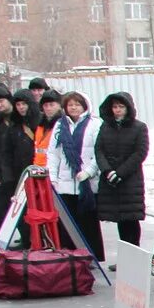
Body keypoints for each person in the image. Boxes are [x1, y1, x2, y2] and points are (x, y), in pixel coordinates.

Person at [49, 90, 104, 258]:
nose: (73, 108)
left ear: (84, 106)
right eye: (70, 104)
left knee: (87, 221)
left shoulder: (95, 124)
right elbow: (53, 153)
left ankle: (89, 255)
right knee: (67, 223)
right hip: (65, 183)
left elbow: (99, 152)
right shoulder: (60, 125)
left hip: (87, 183)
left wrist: (89, 172)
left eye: (77, 104)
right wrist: (53, 178)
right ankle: (70, 256)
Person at [94, 92, 150, 249]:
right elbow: (99, 150)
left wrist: (121, 173)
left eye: (121, 106)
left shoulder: (139, 127)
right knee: (119, 219)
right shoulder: (105, 127)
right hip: (110, 179)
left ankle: (134, 255)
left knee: (131, 219)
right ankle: (125, 257)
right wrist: (107, 171)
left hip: (130, 180)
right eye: (114, 107)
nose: (117, 110)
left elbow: (140, 152)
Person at [0, 84, 31, 236]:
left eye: (2, 101)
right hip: (3, 171)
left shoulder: (21, 120)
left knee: (23, 206)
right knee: (2, 206)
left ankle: (27, 237)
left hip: (21, 169)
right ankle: (2, 236)